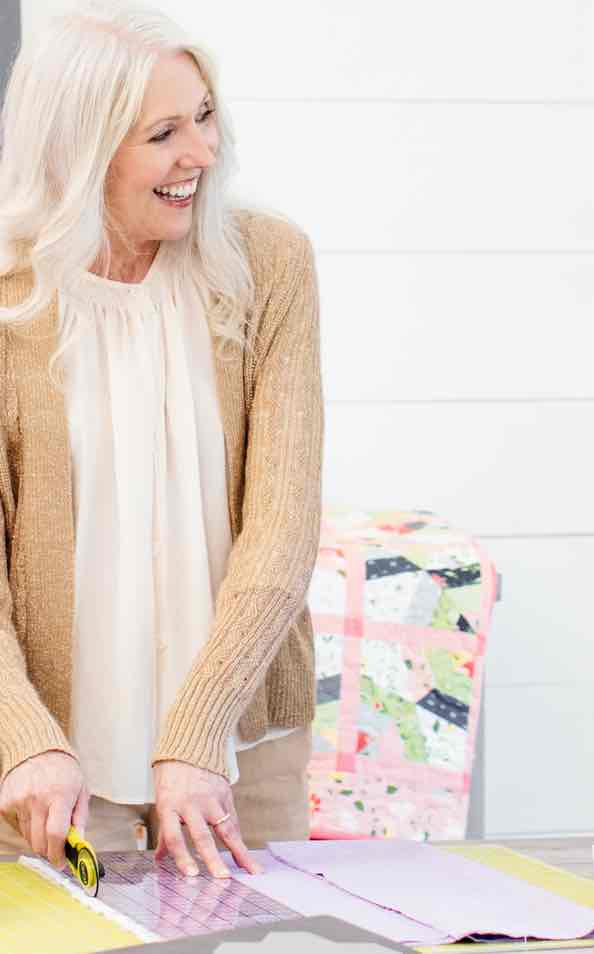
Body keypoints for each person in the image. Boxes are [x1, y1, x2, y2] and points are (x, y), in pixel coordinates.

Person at [0, 1, 323, 877]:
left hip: (237, 747)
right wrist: (23, 740)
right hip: (49, 766)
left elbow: (283, 525)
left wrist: (197, 733)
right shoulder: (8, 299)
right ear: (78, 148)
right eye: (165, 133)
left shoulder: (269, 264)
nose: (203, 154)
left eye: (207, 118)